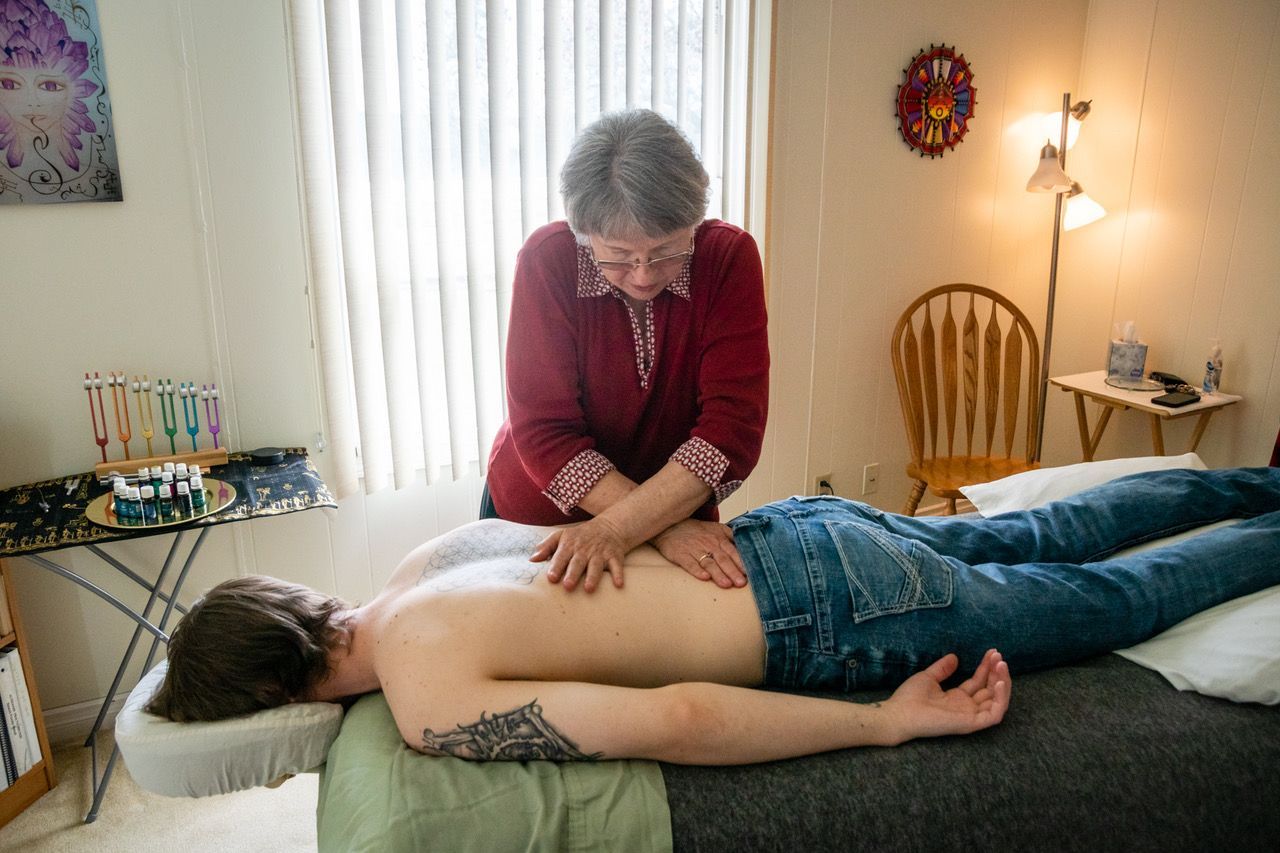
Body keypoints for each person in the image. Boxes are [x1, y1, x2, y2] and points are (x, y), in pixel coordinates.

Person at [147, 466, 1280, 765]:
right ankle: (1254, 481)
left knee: (1109, 598)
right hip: (784, 528)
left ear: (269, 691)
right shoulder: (421, 559)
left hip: (822, 608)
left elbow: (684, 718)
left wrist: (882, 723)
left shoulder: (424, 698)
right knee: (1049, 530)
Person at [483, 109, 769, 595]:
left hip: (677, 509)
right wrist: (658, 526)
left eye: (665, 251)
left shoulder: (727, 258)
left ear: (694, 223)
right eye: (617, 255)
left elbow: (732, 427)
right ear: (584, 233)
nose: (643, 274)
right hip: (547, 517)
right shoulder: (548, 259)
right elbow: (546, 433)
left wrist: (627, 526)